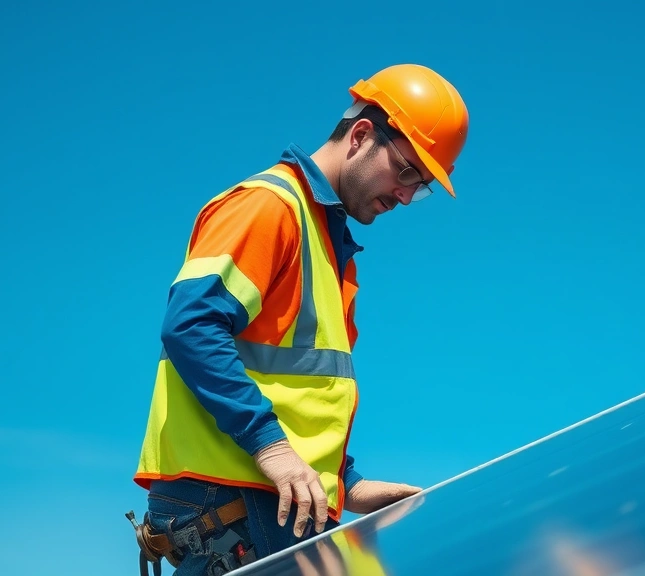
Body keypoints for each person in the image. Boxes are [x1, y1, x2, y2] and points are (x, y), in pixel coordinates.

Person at [127, 63, 469, 576]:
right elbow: (191, 324)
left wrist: (346, 483)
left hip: (270, 499)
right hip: (235, 500)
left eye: (418, 188)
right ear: (360, 135)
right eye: (406, 172)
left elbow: (300, 390)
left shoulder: (329, 248)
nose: (404, 195)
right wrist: (272, 448)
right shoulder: (270, 207)